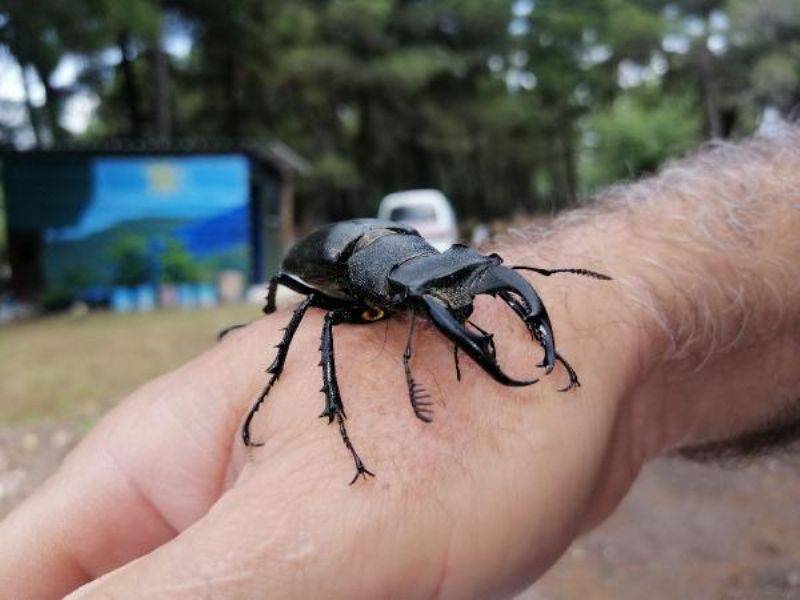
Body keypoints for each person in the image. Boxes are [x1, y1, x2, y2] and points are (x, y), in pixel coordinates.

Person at [1, 127, 799, 599]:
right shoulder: (351, 291)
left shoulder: (414, 257)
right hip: (331, 268)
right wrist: (316, 404)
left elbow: (442, 271)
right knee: (313, 321)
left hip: (386, 255)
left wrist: (594, 320)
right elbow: (309, 302)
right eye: (419, 296)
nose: (434, 299)